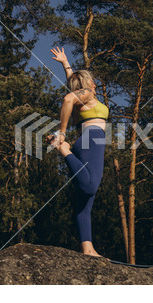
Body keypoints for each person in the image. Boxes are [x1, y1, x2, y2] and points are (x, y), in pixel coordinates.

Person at [46, 47, 109, 258]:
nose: (94, 84)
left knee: (84, 201)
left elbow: (73, 87)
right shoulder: (89, 94)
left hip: (86, 142)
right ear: (89, 83)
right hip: (93, 140)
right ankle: (64, 150)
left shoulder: (83, 97)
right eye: (92, 81)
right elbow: (67, 99)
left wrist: (66, 64)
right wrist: (62, 134)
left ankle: (87, 249)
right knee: (90, 187)